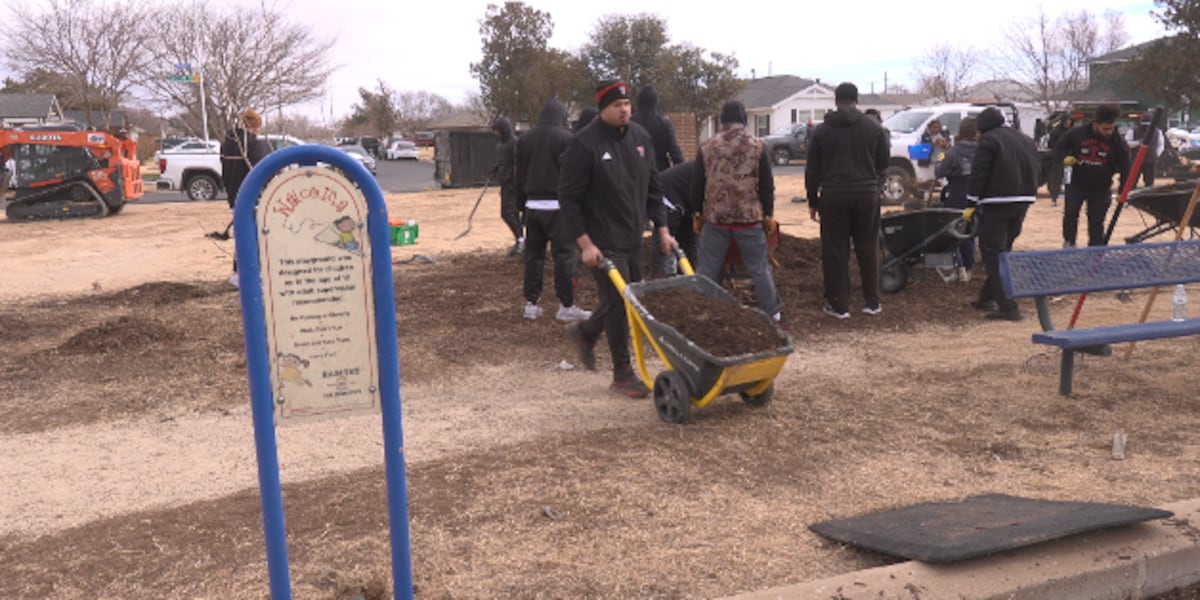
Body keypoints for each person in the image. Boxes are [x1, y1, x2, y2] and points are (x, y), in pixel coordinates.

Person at [559, 80, 673, 399]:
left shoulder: (641, 138)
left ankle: (586, 332)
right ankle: (622, 373)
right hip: (601, 239)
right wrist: (585, 245)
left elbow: (654, 188)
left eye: (626, 104)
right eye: (616, 105)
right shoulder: (584, 145)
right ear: (602, 109)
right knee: (621, 303)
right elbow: (568, 199)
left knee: (630, 299)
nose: (624, 110)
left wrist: (663, 229)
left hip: (633, 234)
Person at [690, 100, 787, 328]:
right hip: (749, 219)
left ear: (722, 119)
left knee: (706, 269)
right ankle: (773, 314)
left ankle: (700, 311)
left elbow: (697, 184)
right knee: (759, 268)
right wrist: (768, 213)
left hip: (716, 219)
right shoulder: (758, 145)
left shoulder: (707, 146)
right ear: (744, 119)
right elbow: (766, 184)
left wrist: (697, 213)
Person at [805, 82, 890, 319]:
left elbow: (812, 170)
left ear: (836, 101)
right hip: (866, 194)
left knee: (835, 250)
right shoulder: (874, 129)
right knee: (868, 246)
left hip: (833, 195)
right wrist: (876, 188)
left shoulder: (822, 131)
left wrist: (813, 201)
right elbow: (883, 165)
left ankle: (839, 305)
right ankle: (872, 301)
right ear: (857, 100)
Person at [513, 98, 592, 323]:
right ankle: (566, 305)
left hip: (532, 206)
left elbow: (519, 175)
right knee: (564, 256)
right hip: (559, 207)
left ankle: (531, 304)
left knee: (533, 256)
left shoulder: (524, 139)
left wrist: (520, 205)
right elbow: (573, 176)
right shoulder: (567, 139)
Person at [965, 106, 1041, 322]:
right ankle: (986, 297)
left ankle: (1008, 307)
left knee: (992, 253)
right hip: (1023, 200)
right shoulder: (1025, 139)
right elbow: (1038, 167)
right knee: (1003, 250)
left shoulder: (989, 141)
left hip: (997, 202)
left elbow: (980, 172)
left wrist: (971, 201)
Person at [1054, 104, 1130, 247]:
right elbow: (1059, 147)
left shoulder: (1118, 142)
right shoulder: (1076, 133)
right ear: (1095, 124)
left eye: (1111, 128)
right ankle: (1069, 243)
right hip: (1077, 183)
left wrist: (1123, 190)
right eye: (1105, 129)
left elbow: (1126, 167)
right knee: (1071, 213)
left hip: (1101, 187)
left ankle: (1094, 249)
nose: (1109, 132)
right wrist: (1065, 158)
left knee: (1096, 220)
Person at [220, 108, 270, 287]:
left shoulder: (227, 144)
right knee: (257, 237)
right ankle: (254, 275)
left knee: (242, 237)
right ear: (254, 126)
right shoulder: (254, 145)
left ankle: (237, 273)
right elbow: (262, 172)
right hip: (254, 199)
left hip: (234, 196)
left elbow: (225, 171)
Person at [935, 116, 979, 283]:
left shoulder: (954, 151)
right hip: (976, 194)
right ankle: (969, 267)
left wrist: (940, 156)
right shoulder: (982, 149)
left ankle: (959, 267)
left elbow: (939, 172)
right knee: (970, 231)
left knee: (954, 231)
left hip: (957, 193)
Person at [648, 160, 698, 278]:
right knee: (664, 240)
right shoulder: (711, 168)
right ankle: (658, 279)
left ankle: (689, 278)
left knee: (689, 240)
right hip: (667, 193)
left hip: (685, 200)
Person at [630, 85, 684, 172]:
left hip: (635, 171)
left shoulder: (630, 123)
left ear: (639, 101)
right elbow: (675, 153)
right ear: (656, 101)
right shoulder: (664, 124)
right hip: (660, 171)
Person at [491, 116, 523, 256]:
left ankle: (521, 239)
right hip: (504, 183)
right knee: (511, 213)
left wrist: (514, 182)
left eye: (497, 130)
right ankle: (520, 239)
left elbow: (518, 164)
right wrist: (496, 168)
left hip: (512, 185)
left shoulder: (514, 143)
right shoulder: (500, 145)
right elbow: (503, 161)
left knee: (508, 213)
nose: (496, 133)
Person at [1127, 113, 1165, 188]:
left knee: (1149, 183)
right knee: (1132, 182)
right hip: (1136, 160)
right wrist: (1138, 143)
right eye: (1144, 125)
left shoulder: (1158, 132)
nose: (1146, 127)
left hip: (1150, 161)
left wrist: (1156, 154)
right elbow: (1127, 144)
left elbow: (1161, 145)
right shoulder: (1133, 131)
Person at [1045, 116, 1074, 207]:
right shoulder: (1055, 132)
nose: (1068, 124)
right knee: (1056, 179)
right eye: (1066, 122)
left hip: (1071, 159)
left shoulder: (1073, 132)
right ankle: (1054, 199)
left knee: (1070, 180)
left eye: (1069, 122)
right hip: (1058, 159)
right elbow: (1051, 145)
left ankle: (1071, 199)